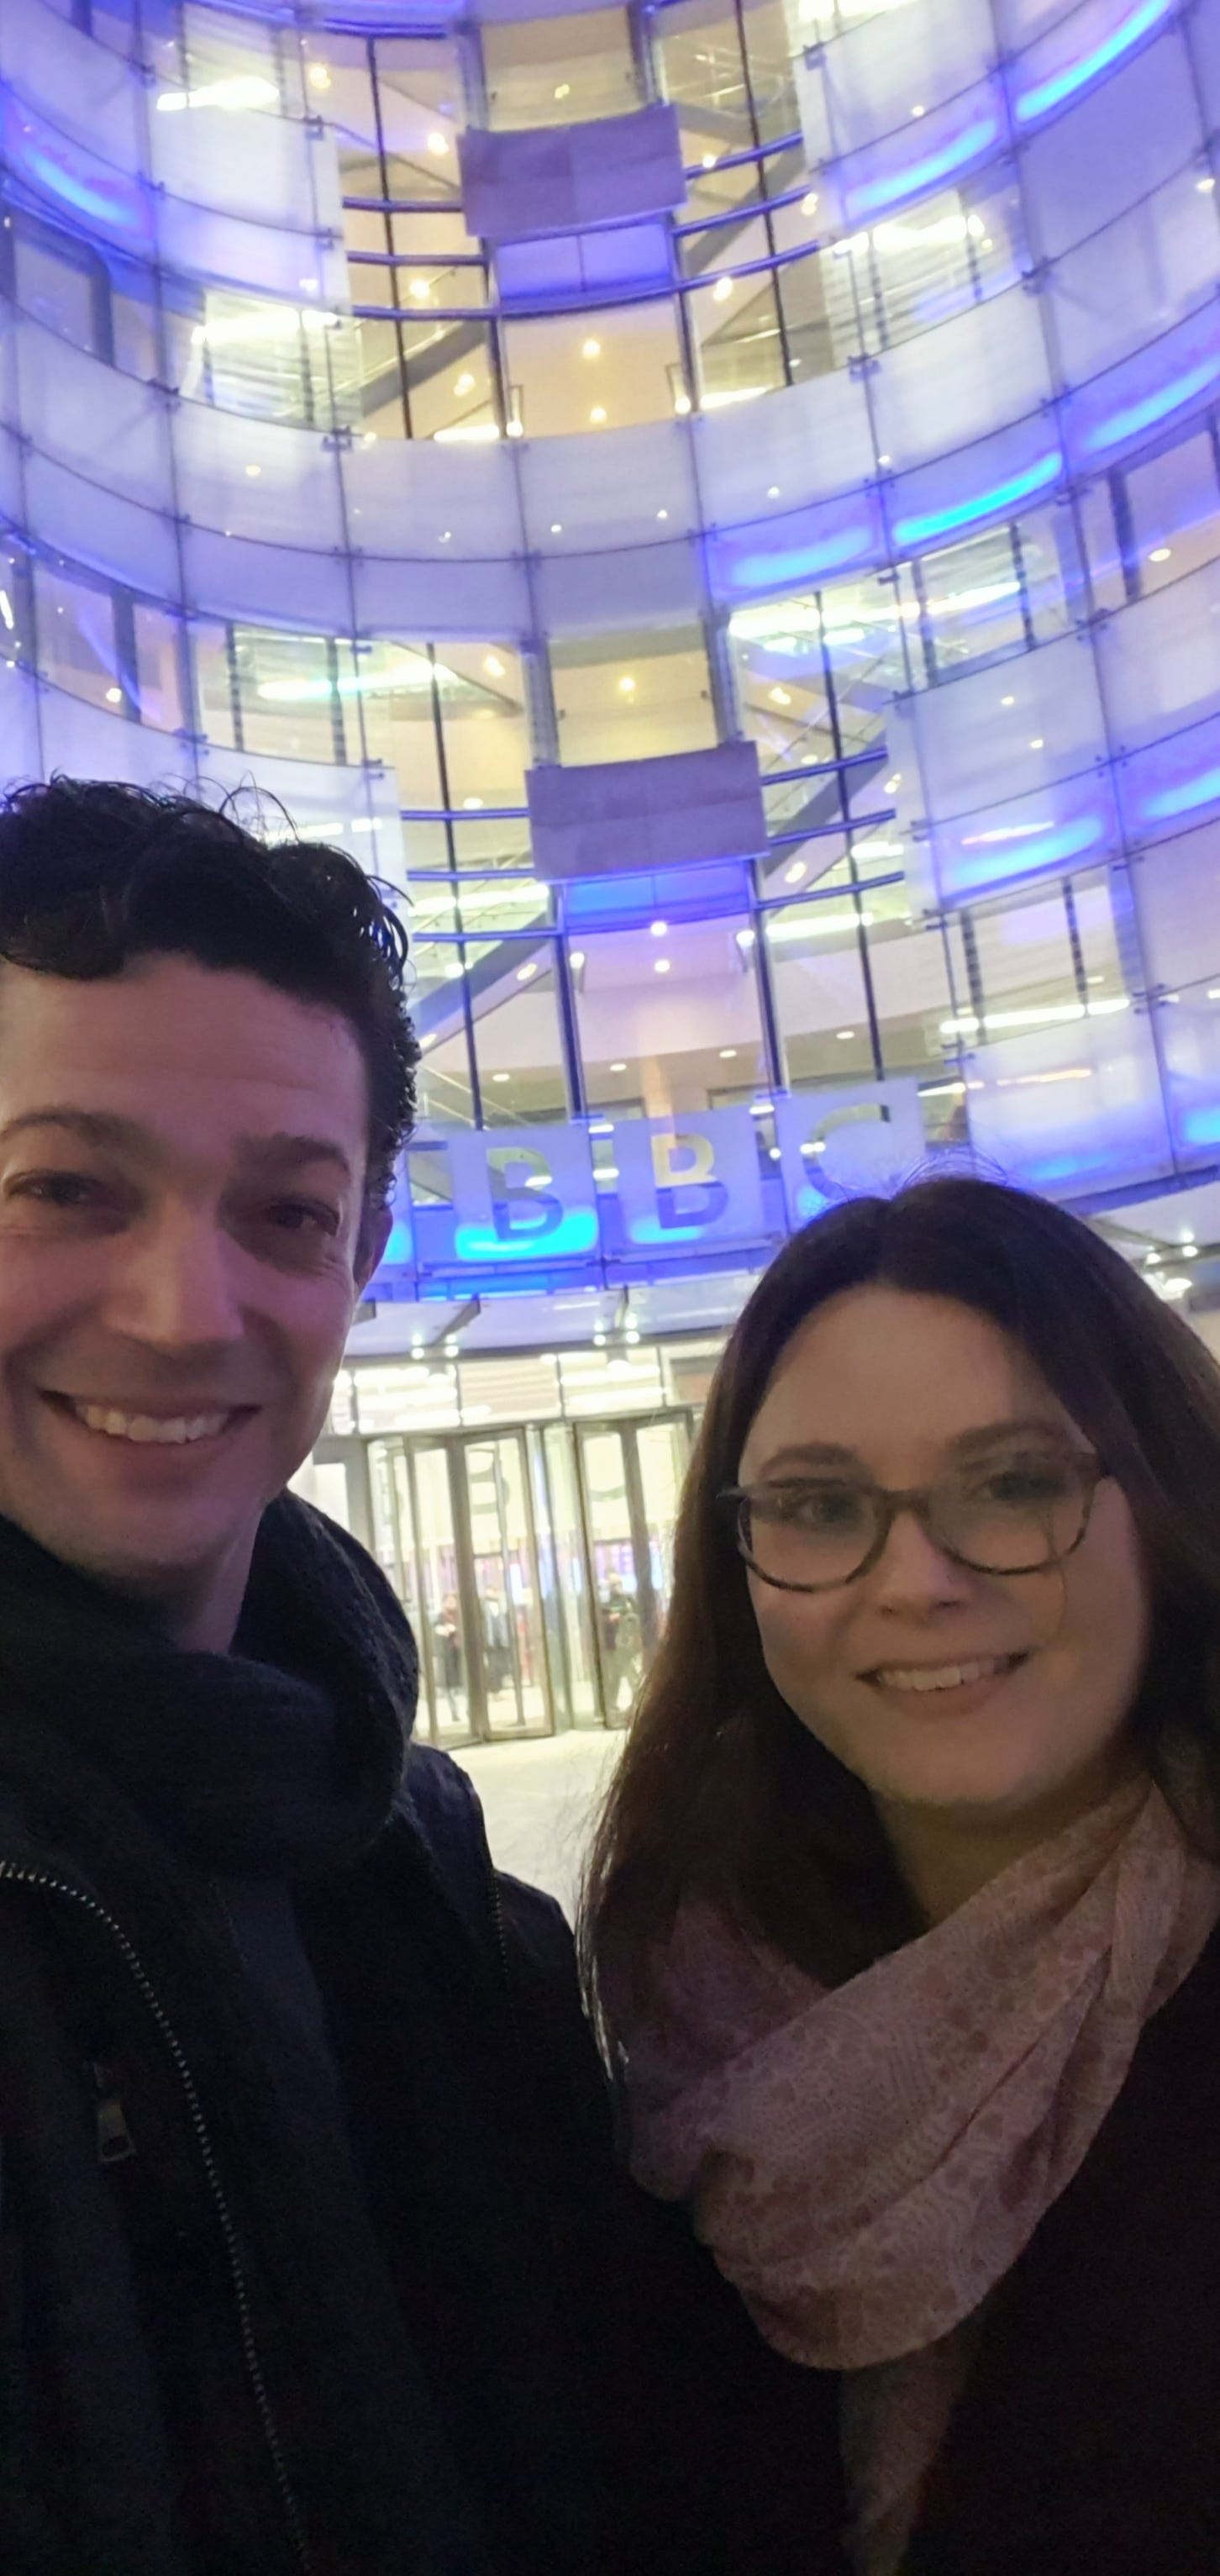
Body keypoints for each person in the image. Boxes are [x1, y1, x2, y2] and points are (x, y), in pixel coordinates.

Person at [0, 777, 783, 2576]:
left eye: (283, 1215)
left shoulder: (425, 1879)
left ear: (358, 1264)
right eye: (66, 1187)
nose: (187, 1310)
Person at [582, 1176, 1220, 2576]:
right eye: (819, 1505)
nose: (916, 1577)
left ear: (1161, 1500)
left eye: (1011, 1483)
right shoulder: (677, 2033)